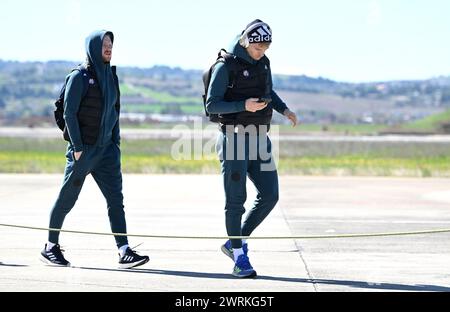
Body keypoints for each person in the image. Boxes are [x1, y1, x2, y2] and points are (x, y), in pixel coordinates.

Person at [40, 30, 149, 269]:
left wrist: (116, 144)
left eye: (111, 44)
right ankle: (50, 247)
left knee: (115, 200)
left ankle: (124, 250)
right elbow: (68, 113)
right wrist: (77, 147)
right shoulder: (79, 76)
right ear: (93, 48)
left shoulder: (111, 76)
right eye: (104, 45)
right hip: (84, 150)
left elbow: (115, 113)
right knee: (67, 198)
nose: (109, 48)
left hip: (107, 151)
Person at [206, 19, 298, 278]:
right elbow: (212, 105)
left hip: (260, 139)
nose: (261, 53)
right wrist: (243, 106)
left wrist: (284, 109)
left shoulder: (263, 63)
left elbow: (269, 91)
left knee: (270, 195)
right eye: (257, 48)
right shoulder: (225, 66)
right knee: (236, 202)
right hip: (234, 138)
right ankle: (239, 257)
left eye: (265, 49)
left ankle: (235, 241)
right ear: (246, 42)